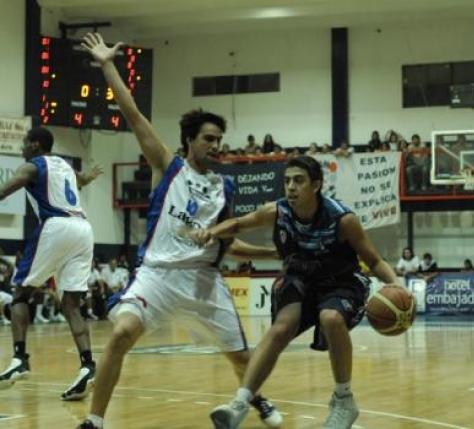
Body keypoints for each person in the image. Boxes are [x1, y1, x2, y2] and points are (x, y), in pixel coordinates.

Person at [76, 33, 282, 429]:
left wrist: (272, 254)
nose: (216, 145)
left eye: (220, 140)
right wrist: (107, 65)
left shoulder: (226, 188)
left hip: (204, 283)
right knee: (119, 335)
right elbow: (133, 114)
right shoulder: (169, 168)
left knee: (241, 359)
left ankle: (256, 398)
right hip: (157, 277)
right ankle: (94, 422)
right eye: (208, 139)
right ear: (189, 140)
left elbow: (227, 243)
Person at [189, 155, 401, 428]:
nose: (290, 186)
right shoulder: (276, 211)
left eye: (298, 180)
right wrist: (211, 231)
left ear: (316, 185)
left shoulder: (342, 219)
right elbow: (239, 224)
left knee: (330, 318)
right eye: (287, 180)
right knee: (280, 329)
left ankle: (344, 400)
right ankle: (239, 404)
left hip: (341, 282)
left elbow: (374, 261)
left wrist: (395, 284)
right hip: (300, 278)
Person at [0, 126, 103, 401]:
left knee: (20, 294)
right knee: (71, 304)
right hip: (84, 229)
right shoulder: (65, 165)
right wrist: (88, 178)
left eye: (24, 143)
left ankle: (20, 358)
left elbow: (6, 190)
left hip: (56, 226)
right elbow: (78, 180)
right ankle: (87, 366)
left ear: (34, 144)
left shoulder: (33, 166)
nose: (22, 147)